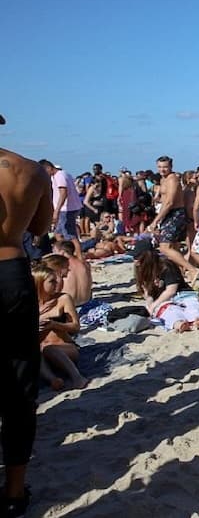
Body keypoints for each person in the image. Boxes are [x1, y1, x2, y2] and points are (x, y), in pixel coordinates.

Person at [1, 140, 52, 518]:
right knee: (19, 385)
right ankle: (15, 492)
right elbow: (39, 228)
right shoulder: (30, 170)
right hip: (11, 273)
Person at [131, 239, 199, 333]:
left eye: (137, 257)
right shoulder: (141, 271)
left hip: (182, 294)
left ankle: (198, 320)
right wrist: (150, 305)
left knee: (192, 305)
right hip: (163, 301)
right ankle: (179, 324)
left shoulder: (165, 265)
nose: (135, 260)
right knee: (168, 312)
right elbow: (148, 295)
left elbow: (171, 290)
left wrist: (153, 305)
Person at [32, 262, 87, 391]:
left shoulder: (63, 299)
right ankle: (53, 380)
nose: (57, 284)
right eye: (52, 282)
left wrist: (54, 324)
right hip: (41, 352)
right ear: (39, 283)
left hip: (64, 347)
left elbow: (76, 327)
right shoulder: (29, 304)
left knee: (50, 349)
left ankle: (78, 378)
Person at [147, 155, 199, 280]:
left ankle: (192, 270)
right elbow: (164, 200)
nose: (162, 169)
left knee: (164, 247)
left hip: (174, 214)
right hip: (168, 214)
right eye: (160, 167)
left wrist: (156, 221)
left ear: (171, 166)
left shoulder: (172, 179)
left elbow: (170, 202)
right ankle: (180, 274)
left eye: (165, 167)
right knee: (173, 247)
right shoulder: (163, 179)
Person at [39, 159, 83, 258]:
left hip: (66, 209)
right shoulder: (63, 174)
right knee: (58, 234)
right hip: (68, 208)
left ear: (48, 168)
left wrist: (56, 211)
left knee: (70, 235)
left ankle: (79, 257)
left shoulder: (60, 176)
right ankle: (66, 254)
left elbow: (63, 193)